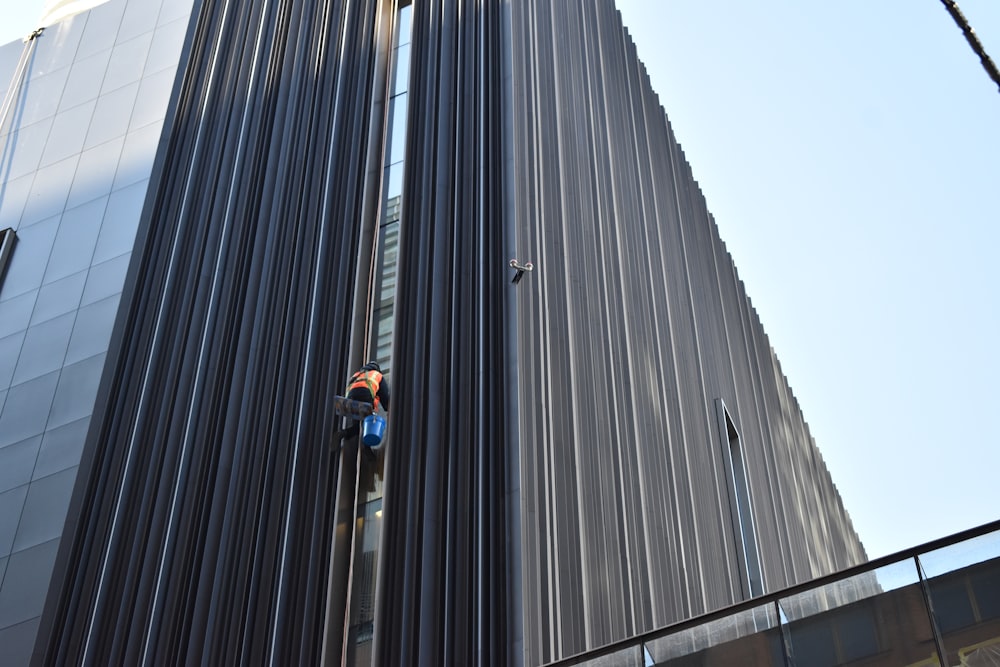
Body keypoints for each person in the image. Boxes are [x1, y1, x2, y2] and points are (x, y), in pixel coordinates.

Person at [334, 361, 390, 444]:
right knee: (369, 425)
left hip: (351, 399)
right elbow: (384, 395)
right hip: (365, 395)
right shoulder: (377, 374)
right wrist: (387, 407)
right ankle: (367, 450)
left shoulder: (356, 375)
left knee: (356, 428)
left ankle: (342, 433)